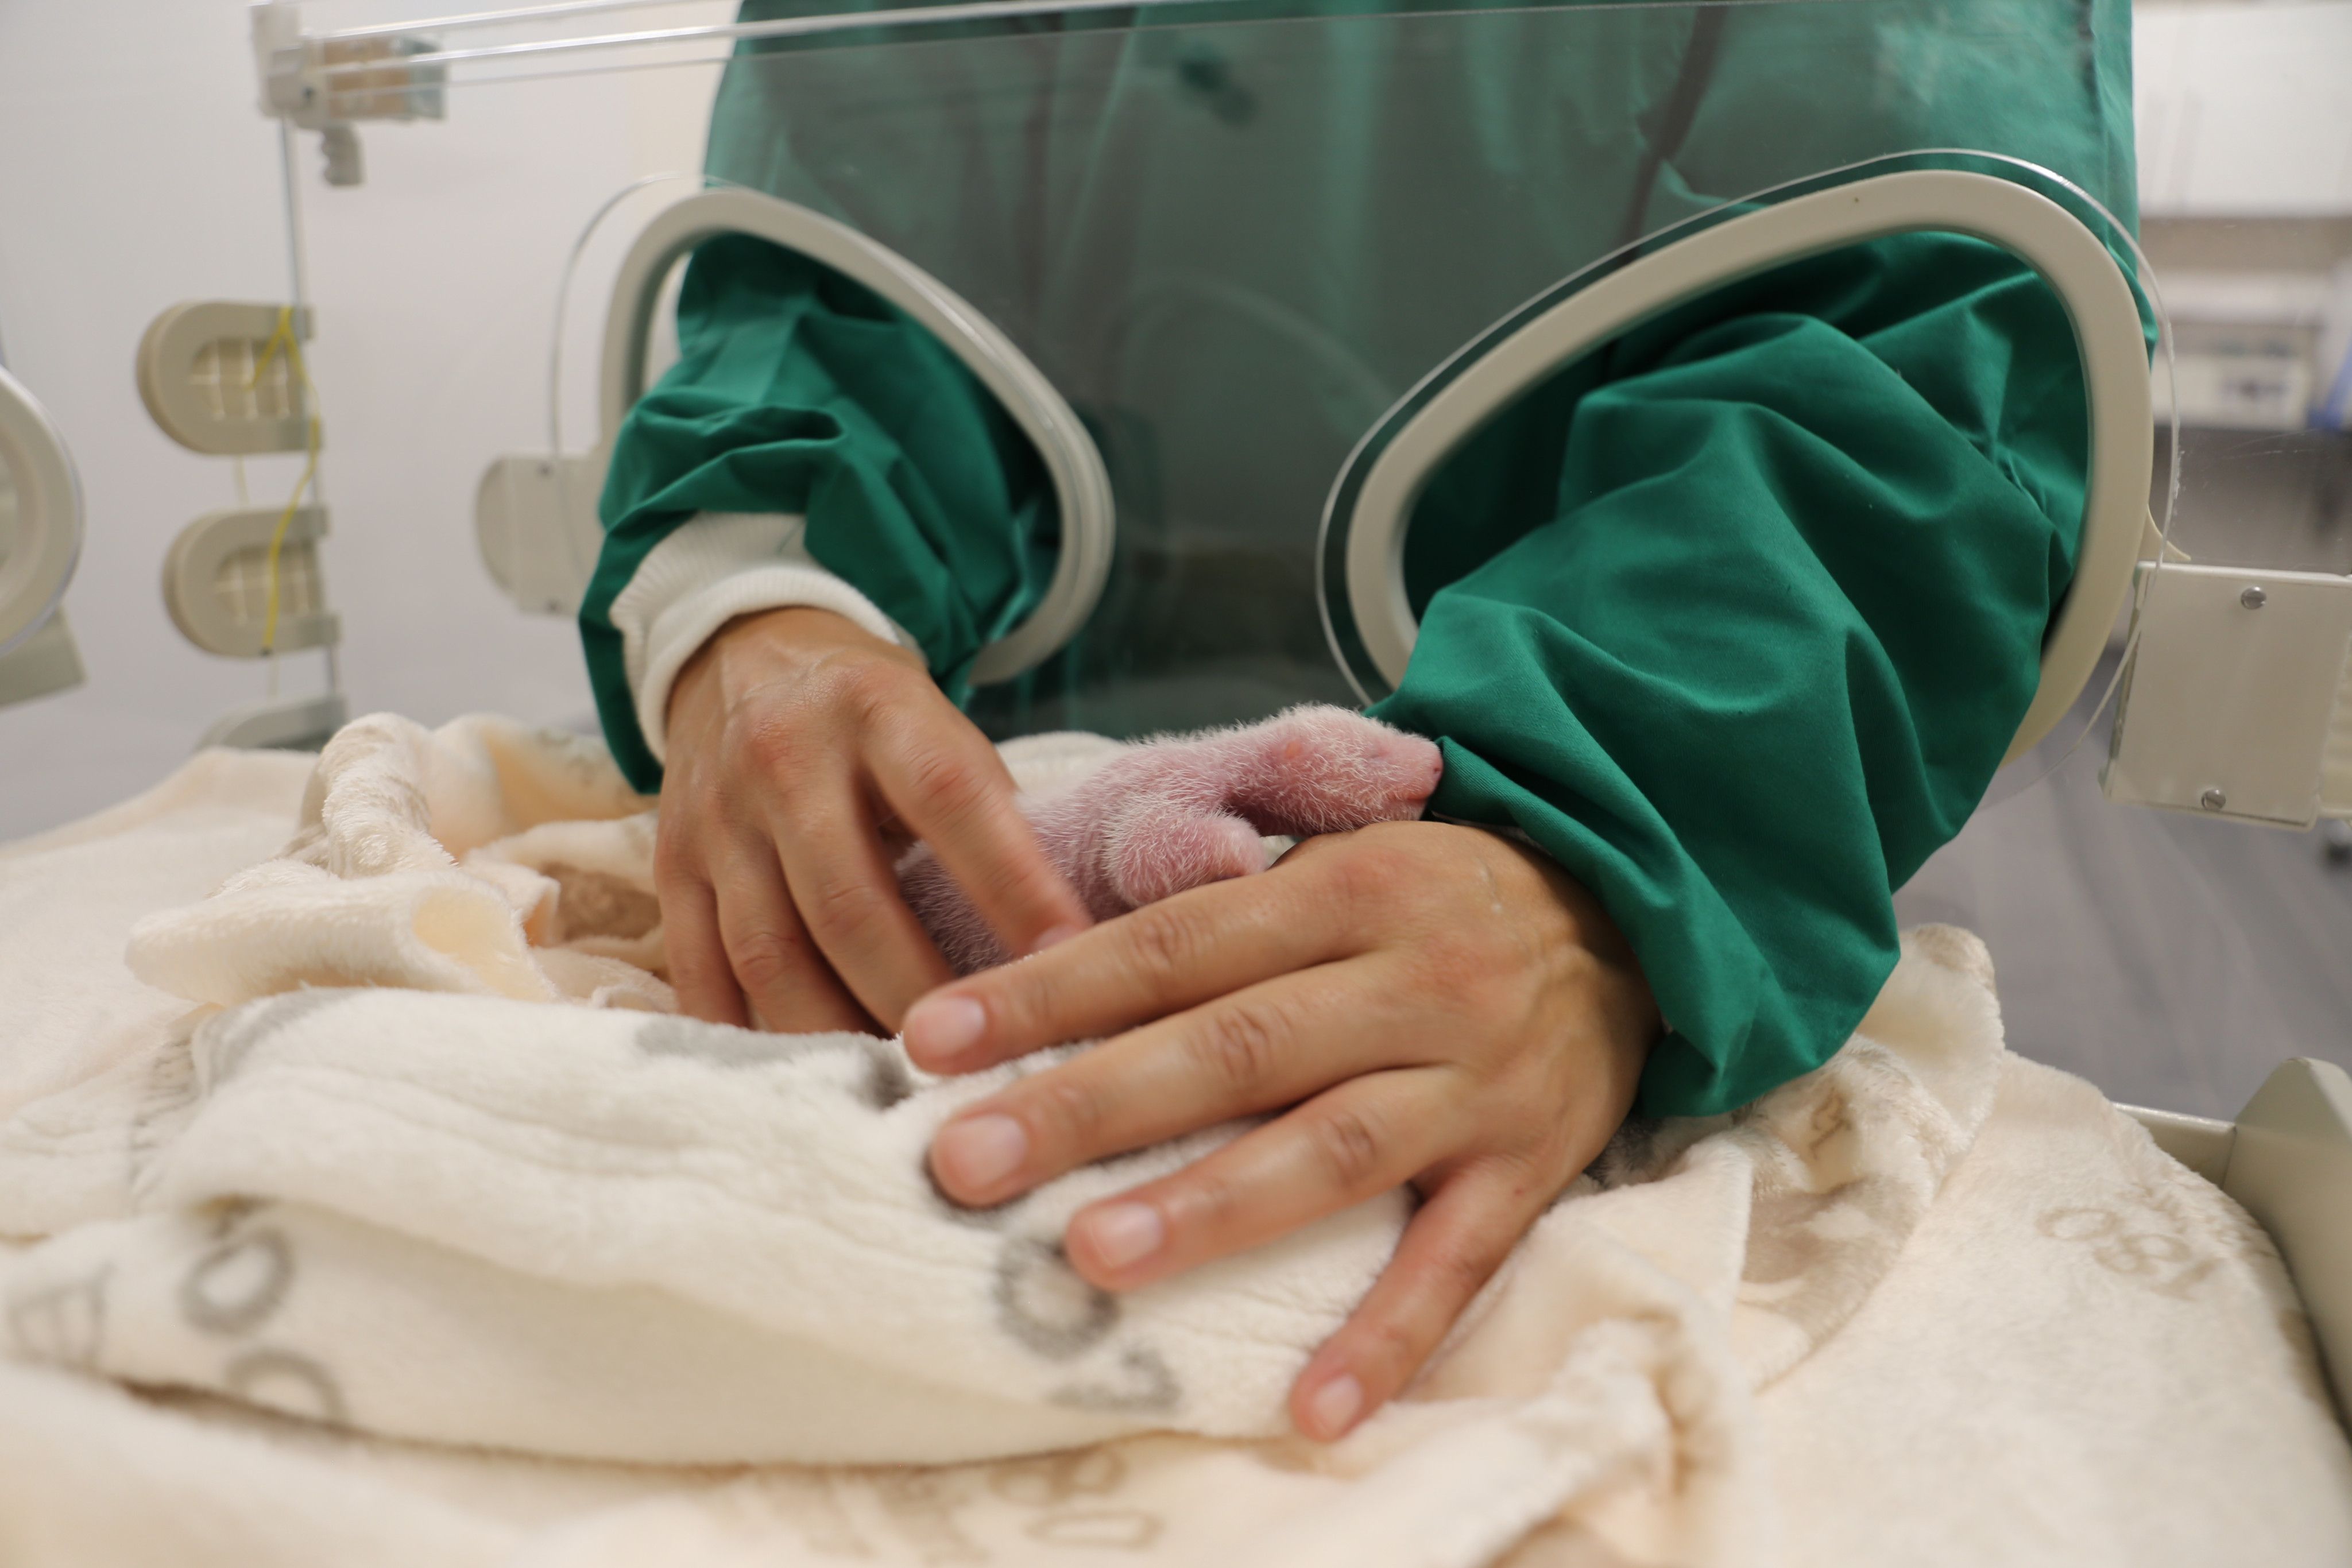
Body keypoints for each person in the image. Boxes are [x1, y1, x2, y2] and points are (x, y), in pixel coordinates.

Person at [579, 0, 2140, 1441]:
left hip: (1612, 843)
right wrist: (760, 601)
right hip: (988, 792)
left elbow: (1925, 342)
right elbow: (828, 264)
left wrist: (1598, 846)